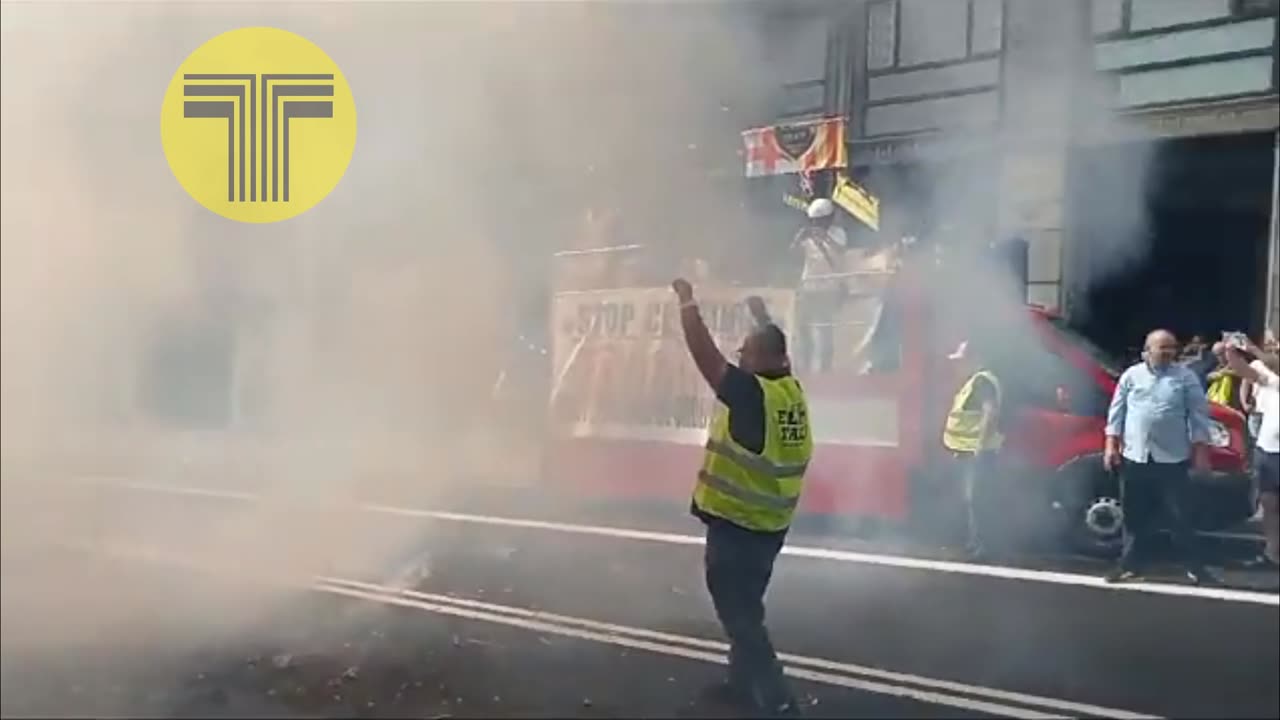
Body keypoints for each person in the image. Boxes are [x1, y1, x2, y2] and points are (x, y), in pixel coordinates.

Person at [671, 278, 811, 717]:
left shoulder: (751, 394)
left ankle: (777, 697)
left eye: (746, 352)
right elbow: (772, 344)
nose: (740, 358)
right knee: (748, 604)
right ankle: (740, 685)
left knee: (739, 614)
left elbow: (705, 358)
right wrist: (761, 316)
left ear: (764, 358)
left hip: (739, 523)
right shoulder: (788, 389)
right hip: (770, 526)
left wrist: (687, 303)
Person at [1103, 329, 1218, 585]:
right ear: (1147, 351)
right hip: (1136, 456)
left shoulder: (1185, 377)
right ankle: (1130, 565)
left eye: (1171, 348)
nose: (1168, 353)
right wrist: (1111, 445)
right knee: (1134, 515)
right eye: (1162, 348)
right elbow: (1116, 412)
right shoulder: (1131, 376)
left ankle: (1195, 568)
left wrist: (1201, 452)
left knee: (1180, 515)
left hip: (1172, 458)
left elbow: (1199, 417)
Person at [941, 339, 1003, 561]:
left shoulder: (982, 381)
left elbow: (989, 413)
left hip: (978, 452)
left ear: (974, 358)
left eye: (962, 360)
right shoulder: (974, 381)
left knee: (977, 498)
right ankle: (974, 542)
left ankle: (983, 546)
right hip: (969, 451)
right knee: (971, 498)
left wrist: (979, 446)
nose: (958, 365)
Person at [1224, 335, 1280, 569]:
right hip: (1268, 448)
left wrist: (1253, 348)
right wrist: (1231, 351)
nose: (1275, 348)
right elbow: (1244, 371)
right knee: (1269, 503)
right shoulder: (1264, 371)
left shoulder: (1272, 365)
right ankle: (1272, 553)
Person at [791, 198, 847, 374]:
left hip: (828, 289)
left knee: (824, 332)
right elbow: (792, 254)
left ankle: (825, 371)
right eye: (814, 221)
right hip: (808, 288)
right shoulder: (807, 236)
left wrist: (824, 238)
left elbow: (840, 250)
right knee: (803, 329)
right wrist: (799, 238)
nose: (817, 224)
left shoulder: (838, 233)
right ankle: (805, 368)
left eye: (820, 221)